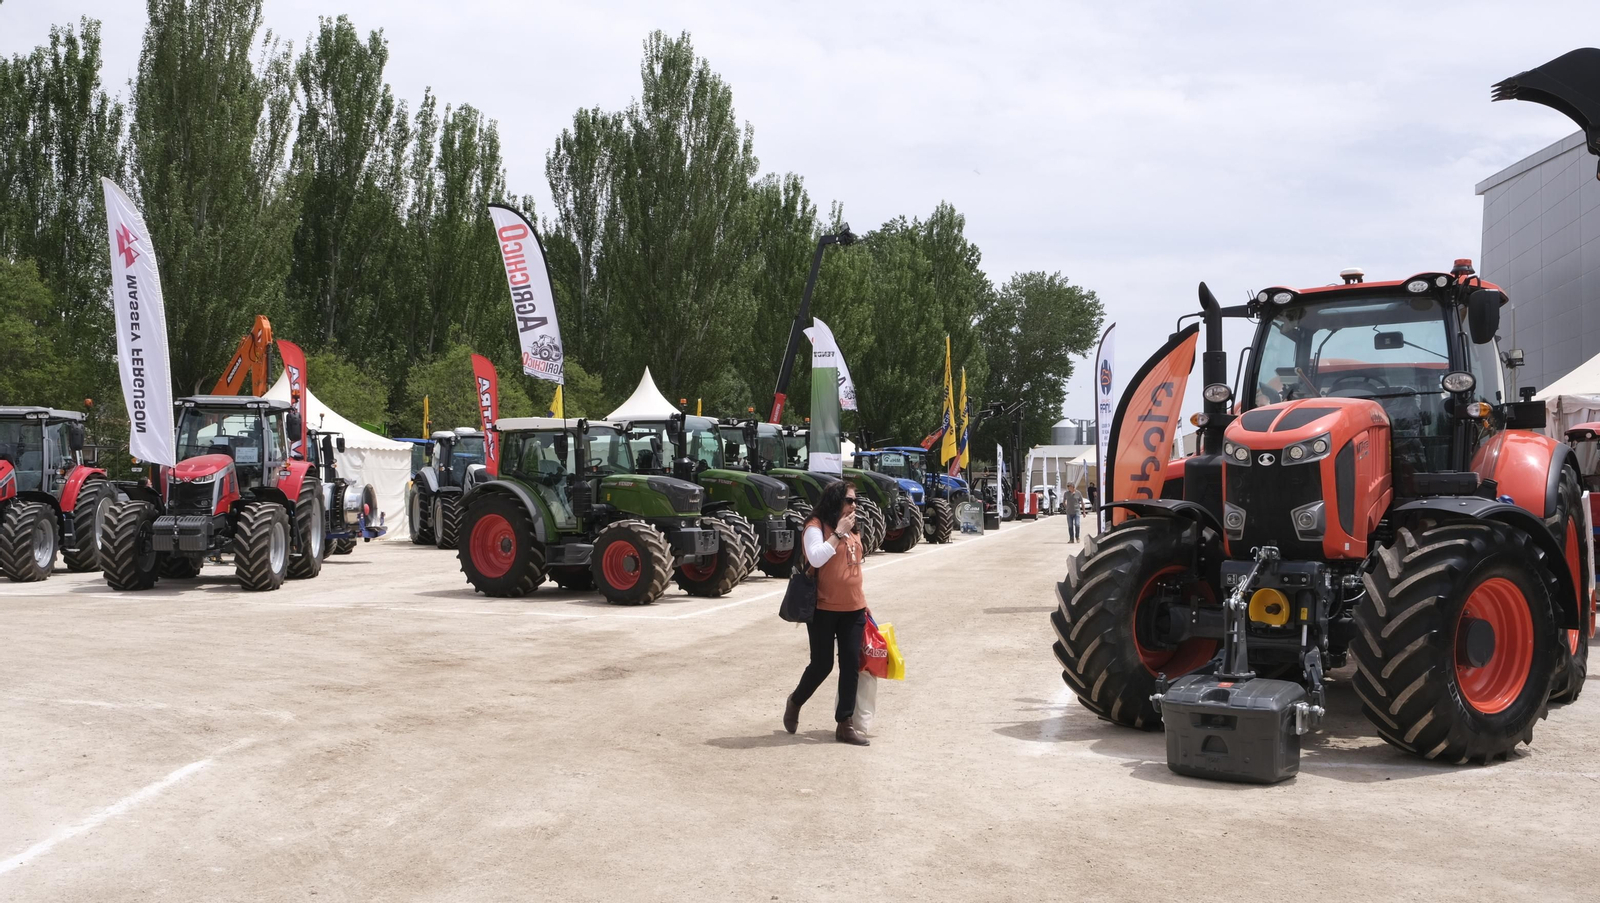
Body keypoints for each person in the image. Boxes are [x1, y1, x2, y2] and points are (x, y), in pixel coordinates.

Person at [784, 479, 871, 746]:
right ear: (835, 501)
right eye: (849, 500)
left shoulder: (854, 528)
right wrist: (838, 533)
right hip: (823, 607)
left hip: (854, 608)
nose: (854, 505)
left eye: (855, 500)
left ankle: (844, 724)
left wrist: (864, 603)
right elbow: (815, 558)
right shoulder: (816, 526)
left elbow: (853, 566)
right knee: (822, 665)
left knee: (851, 665)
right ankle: (795, 701)